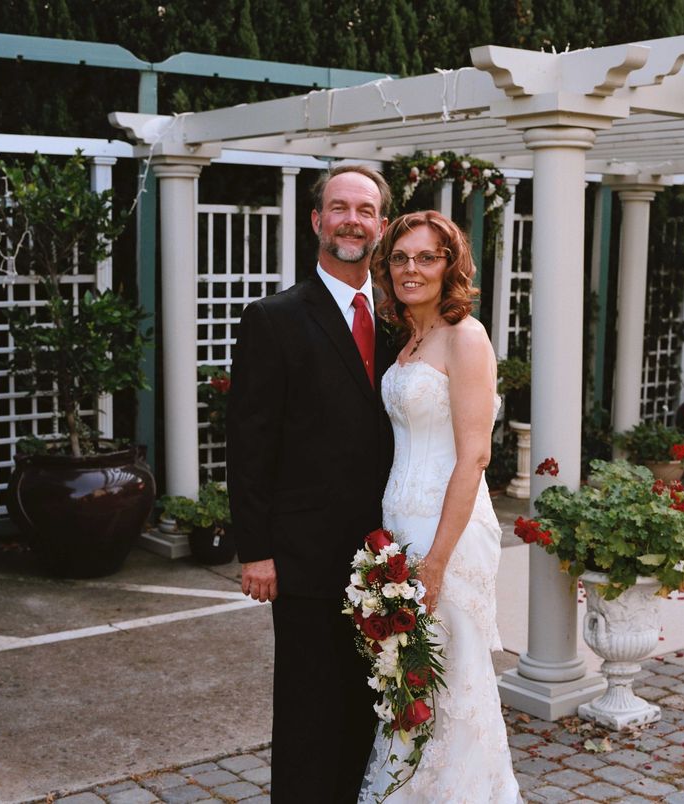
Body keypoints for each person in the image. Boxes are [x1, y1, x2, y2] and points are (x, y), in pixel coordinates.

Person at [226, 164, 397, 803]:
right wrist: (256, 551)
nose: (352, 221)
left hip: (388, 554)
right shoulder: (273, 318)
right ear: (317, 220)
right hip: (303, 559)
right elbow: (248, 443)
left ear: (381, 226)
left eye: (365, 210)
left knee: (370, 709)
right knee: (307, 717)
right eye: (340, 208)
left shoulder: (402, 320)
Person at [360, 210, 522, 803]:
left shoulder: (465, 336)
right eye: (400, 258)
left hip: (447, 531)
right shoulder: (409, 338)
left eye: (426, 257)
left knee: (454, 677)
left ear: (450, 266)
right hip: (399, 525)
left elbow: (474, 456)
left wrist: (435, 562)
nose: (411, 269)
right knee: (409, 674)